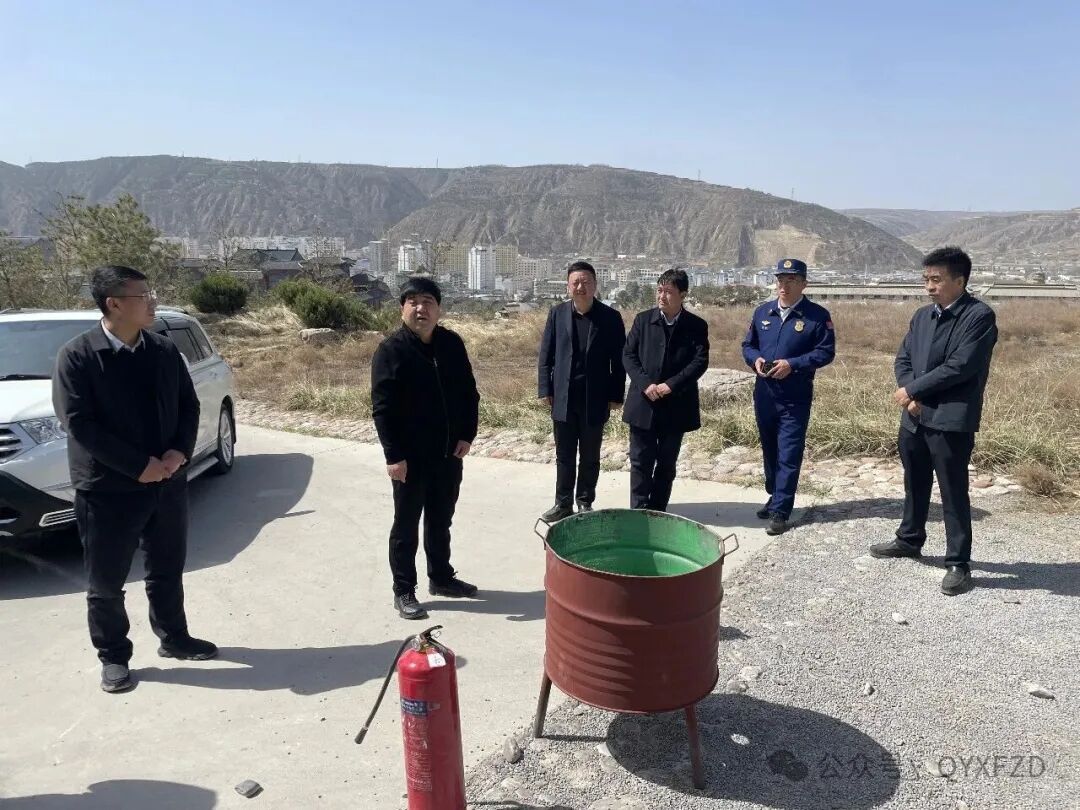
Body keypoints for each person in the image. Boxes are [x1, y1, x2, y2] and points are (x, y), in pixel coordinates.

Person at [52, 265, 216, 694]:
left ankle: (174, 638)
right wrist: (137, 465)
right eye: (143, 295)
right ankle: (114, 656)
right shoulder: (78, 357)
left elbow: (188, 404)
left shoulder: (162, 350)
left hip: (167, 480)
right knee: (106, 582)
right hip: (108, 489)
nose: (153, 301)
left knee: (167, 568)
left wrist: (179, 451)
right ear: (114, 304)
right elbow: (79, 424)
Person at [870, 247, 998, 596]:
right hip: (913, 416)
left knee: (953, 491)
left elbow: (960, 366)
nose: (929, 286)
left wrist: (913, 391)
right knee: (914, 481)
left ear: (960, 280)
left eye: (937, 279)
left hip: (950, 418)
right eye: (926, 279)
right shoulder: (922, 316)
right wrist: (910, 394)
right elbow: (904, 358)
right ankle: (909, 538)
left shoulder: (978, 317)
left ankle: (958, 562)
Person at [371, 277, 481, 620]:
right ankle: (404, 590)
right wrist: (393, 456)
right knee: (406, 526)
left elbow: (469, 393)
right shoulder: (391, 351)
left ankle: (441, 577)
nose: (421, 309)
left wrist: (467, 435)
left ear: (438, 308)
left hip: (448, 453)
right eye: (414, 302)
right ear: (402, 308)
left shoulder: (451, 344)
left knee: (440, 519)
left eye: (428, 302)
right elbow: (383, 409)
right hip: (410, 459)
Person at [741, 259, 835, 535]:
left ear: (803, 284)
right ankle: (775, 495)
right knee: (770, 448)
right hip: (765, 394)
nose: (784, 286)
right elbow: (748, 345)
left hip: (795, 397)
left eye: (791, 280)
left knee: (789, 451)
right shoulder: (763, 312)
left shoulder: (817, 316)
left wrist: (792, 365)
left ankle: (781, 510)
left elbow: (825, 352)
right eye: (781, 280)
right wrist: (755, 360)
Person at [537, 260, 626, 521]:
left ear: (595, 285)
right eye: (575, 282)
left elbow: (618, 361)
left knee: (590, 455)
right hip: (563, 397)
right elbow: (546, 355)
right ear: (568, 286)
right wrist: (545, 388)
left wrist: (616, 395)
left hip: (595, 398)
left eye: (586, 282)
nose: (580, 287)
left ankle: (585, 501)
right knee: (564, 455)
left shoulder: (610, 318)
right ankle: (563, 503)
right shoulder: (557, 314)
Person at [621, 269, 710, 511]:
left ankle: (658, 510)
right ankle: (639, 511)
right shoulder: (643, 320)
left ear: (683, 294)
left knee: (666, 463)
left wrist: (670, 385)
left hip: (676, 405)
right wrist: (646, 384)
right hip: (643, 403)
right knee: (640, 461)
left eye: (668, 292)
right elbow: (628, 355)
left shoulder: (696, 326)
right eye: (659, 290)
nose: (662, 296)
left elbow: (700, 361)